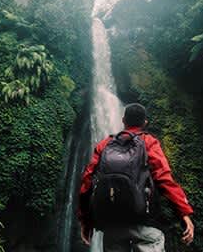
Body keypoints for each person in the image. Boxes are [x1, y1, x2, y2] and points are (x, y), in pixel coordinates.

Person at [78, 103, 194, 251]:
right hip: (144, 222)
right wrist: (184, 213)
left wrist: (86, 221)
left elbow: (87, 181)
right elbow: (164, 179)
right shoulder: (149, 142)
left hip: (112, 223)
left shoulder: (105, 144)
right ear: (145, 122)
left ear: (123, 120)